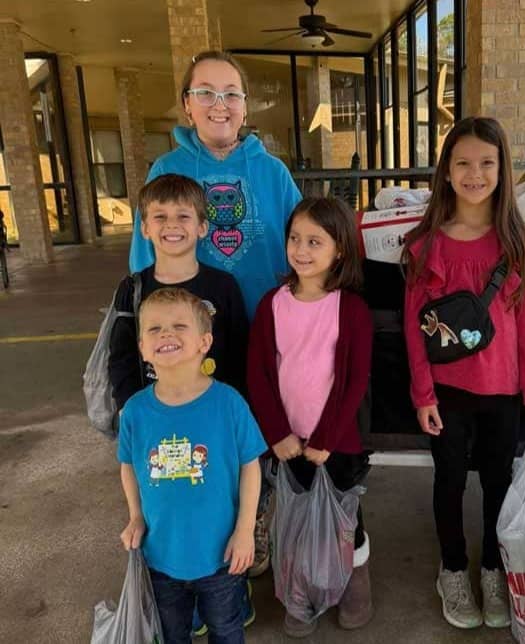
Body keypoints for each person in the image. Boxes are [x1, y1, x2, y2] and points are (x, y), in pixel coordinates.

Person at [128, 50, 302, 587]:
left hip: (258, 338)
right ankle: (206, 551)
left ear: (245, 108)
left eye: (230, 93)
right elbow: (144, 262)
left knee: (253, 439)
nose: (218, 104)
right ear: (187, 104)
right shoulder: (168, 172)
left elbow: (301, 247)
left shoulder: (271, 173)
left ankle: (255, 528)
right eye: (205, 92)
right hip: (187, 345)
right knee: (198, 449)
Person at [402, 117, 525, 630]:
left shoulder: (519, 245)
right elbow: (414, 329)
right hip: (446, 392)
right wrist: (423, 394)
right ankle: (451, 568)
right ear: (445, 172)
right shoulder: (425, 246)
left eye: (486, 163)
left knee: (498, 482)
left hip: (503, 393)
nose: (474, 173)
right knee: (448, 482)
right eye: (462, 163)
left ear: (502, 170)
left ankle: (492, 566)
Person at [246, 197, 374, 638]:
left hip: (339, 442)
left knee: (346, 521)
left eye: (314, 241)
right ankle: (301, 590)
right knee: (297, 519)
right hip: (289, 441)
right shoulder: (272, 305)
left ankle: (354, 581)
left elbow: (355, 379)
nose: (301, 249)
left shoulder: (350, 309)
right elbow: (258, 375)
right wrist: (278, 433)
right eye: (295, 239)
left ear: (339, 249)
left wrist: (327, 438)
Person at [118, 287, 266, 644]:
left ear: (204, 342)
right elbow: (128, 465)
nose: (165, 334)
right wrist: (136, 515)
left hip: (221, 555)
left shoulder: (229, 403)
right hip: (160, 556)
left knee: (226, 629)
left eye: (179, 326)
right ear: (142, 347)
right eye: (153, 329)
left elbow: (251, 466)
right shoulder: (135, 411)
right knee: (171, 633)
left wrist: (245, 531)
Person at [109, 174, 247, 411]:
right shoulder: (132, 290)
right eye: (160, 217)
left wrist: (235, 409)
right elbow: (122, 359)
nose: (172, 225)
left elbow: (240, 354)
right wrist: (129, 409)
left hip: (215, 412)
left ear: (202, 227)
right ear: (144, 228)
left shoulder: (223, 286)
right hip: (155, 415)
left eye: (183, 216)